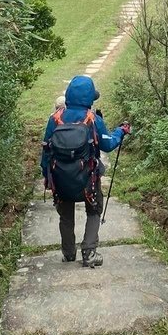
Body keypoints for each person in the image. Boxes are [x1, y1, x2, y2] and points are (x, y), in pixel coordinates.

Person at [41, 75, 128, 268]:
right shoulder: (92, 119)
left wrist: (46, 177)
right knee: (94, 210)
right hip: (87, 179)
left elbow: (46, 150)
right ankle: (89, 252)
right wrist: (121, 131)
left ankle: (69, 254)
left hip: (60, 178)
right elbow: (108, 144)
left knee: (65, 215)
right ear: (89, 99)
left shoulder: (55, 118)